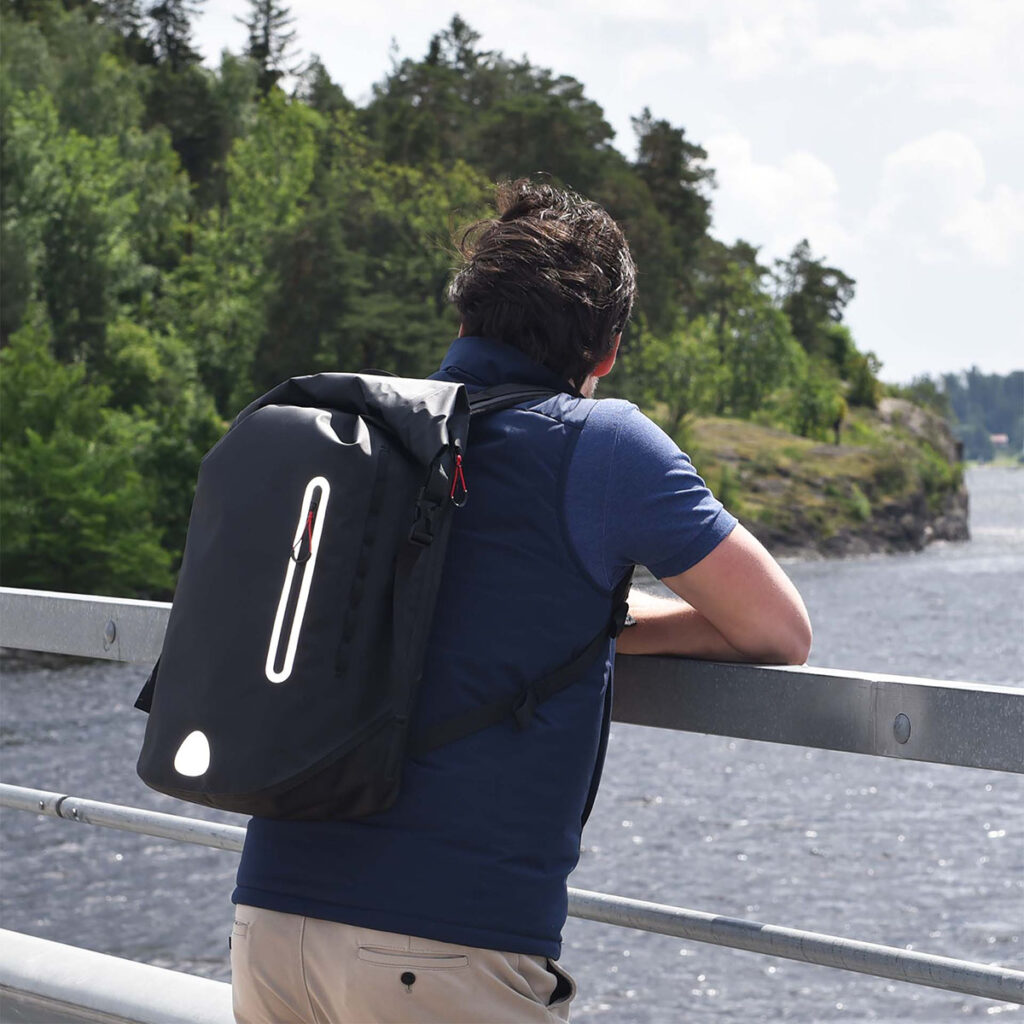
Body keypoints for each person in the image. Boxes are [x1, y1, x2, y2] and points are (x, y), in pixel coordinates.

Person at [229, 179, 811, 1023]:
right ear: (606, 350)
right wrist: (607, 628)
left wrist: (590, 623)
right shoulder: (604, 445)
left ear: (464, 320)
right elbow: (779, 630)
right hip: (441, 946)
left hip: (270, 923)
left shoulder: (371, 432)